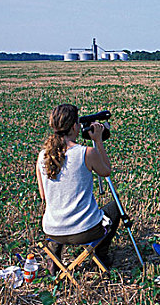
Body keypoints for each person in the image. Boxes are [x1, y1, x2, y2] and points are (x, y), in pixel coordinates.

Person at [36, 104, 120, 275]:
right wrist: (98, 141)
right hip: (85, 231)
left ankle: (54, 256)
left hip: (52, 230)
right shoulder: (86, 153)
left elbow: (44, 196)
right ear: (75, 126)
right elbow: (106, 171)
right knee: (115, 207)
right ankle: (101, 255)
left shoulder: (42, 155)